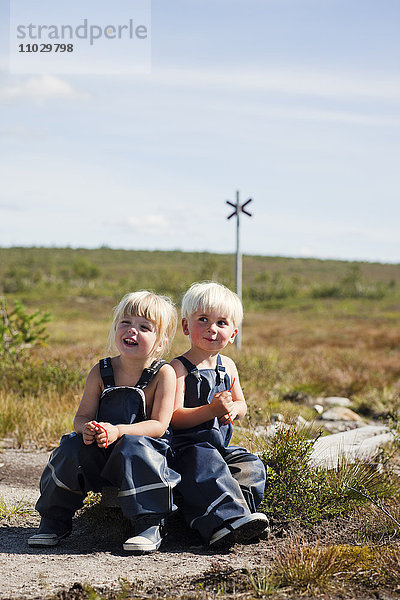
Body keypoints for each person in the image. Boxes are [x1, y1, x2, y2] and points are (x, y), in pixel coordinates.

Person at [28, 291, 181, 554]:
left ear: (161, 340)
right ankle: (53, 520)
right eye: (126, 322)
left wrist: (119, 431)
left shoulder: (163, 374)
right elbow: (82, 416)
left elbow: (159, 425)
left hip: (142, 457)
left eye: (144, 327)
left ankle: (148, 523)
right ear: (115, 327)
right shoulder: (101, 370)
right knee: (70, 449)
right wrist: (87, 429)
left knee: (134, 447)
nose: (132, 331)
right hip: (99, 452)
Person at [170, 281, 268, 549]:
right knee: (208, 466)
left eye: (221, 323)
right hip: (187, 449)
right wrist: (211, 410)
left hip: (218, 446)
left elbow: (242, 405)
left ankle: (240, 518)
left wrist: (233, 409)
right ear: (186, 327)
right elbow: (173, 417)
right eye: (203, 320)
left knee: (251, 465)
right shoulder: (178, 368)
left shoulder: (229, 366)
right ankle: (217, 524)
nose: (212, 328)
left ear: (233, 333)